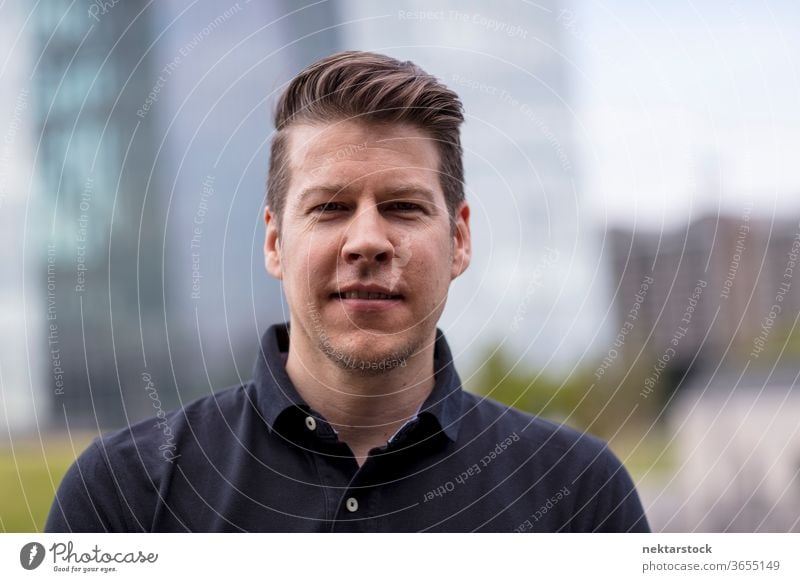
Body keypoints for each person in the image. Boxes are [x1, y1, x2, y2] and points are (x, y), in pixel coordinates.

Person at [46, 51, 649, 532]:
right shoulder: (124, 495)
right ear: (275, 242)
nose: (367, 241)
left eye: (404, 207)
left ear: (459, 238)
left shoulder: (581, 495)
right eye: (330, 208)